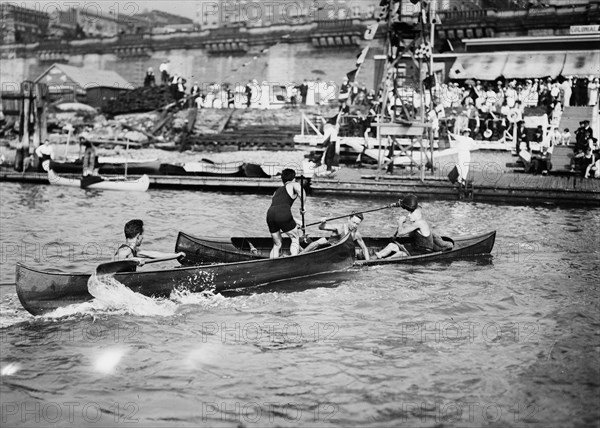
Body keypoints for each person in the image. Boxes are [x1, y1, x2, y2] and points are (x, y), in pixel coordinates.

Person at [374, 194, 433, 259]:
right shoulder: (417, 220)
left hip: (424, 252)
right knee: (392, 245)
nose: (408, 215)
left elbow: (400, 233)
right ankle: (378, 255)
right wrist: (395, 204)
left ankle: (386, 260)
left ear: (417, 212)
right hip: (415, 248)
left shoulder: (420, 223)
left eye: (410, 213)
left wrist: (400, 223)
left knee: (401, 253)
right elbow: (412, 205)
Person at [266, 168, 305, 258]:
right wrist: (303, 206)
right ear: (294, 178)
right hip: (282, 213)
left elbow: (278, 211)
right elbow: (301, 191)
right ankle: (294, 260)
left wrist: (298, 222)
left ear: (282, 180)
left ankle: (271, 264)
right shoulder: (293, 184)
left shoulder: (276, 192)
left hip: (270, 214)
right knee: (295, 238)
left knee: (277, 244)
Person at [114, 219, 185, 268]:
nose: (143, 238)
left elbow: (155, 254)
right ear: (138, 236)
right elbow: (115, 261)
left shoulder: (134, 251)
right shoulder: (125, 250)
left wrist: (177, 255)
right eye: (142, 236)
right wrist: (134, 260)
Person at [300, 212, 370, 260]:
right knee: (321, 240)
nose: (354, 225)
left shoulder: (357, 234)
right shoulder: (339, 227)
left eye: (357, 224)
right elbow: (321, 227)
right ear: (349, 220)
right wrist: (323, 223)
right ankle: (300, 255)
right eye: (353, 222)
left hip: (340, 256)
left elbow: (364, 248)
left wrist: (368, 262)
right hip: (327, 250)